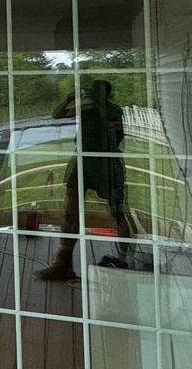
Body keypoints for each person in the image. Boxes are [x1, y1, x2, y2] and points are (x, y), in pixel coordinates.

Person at [37, 78, 137, 282]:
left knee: (117, 211)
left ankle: (124, 259)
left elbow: (111, 130)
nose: (92, 93)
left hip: (106, 162)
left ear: (106, 93)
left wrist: (98, 106)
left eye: (97, 91)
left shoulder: (114, 110)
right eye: (92, 90)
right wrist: (69, 99)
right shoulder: (85, 108)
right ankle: (63, 261)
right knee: (71, 211)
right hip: (83, 160)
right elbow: (57, 115)